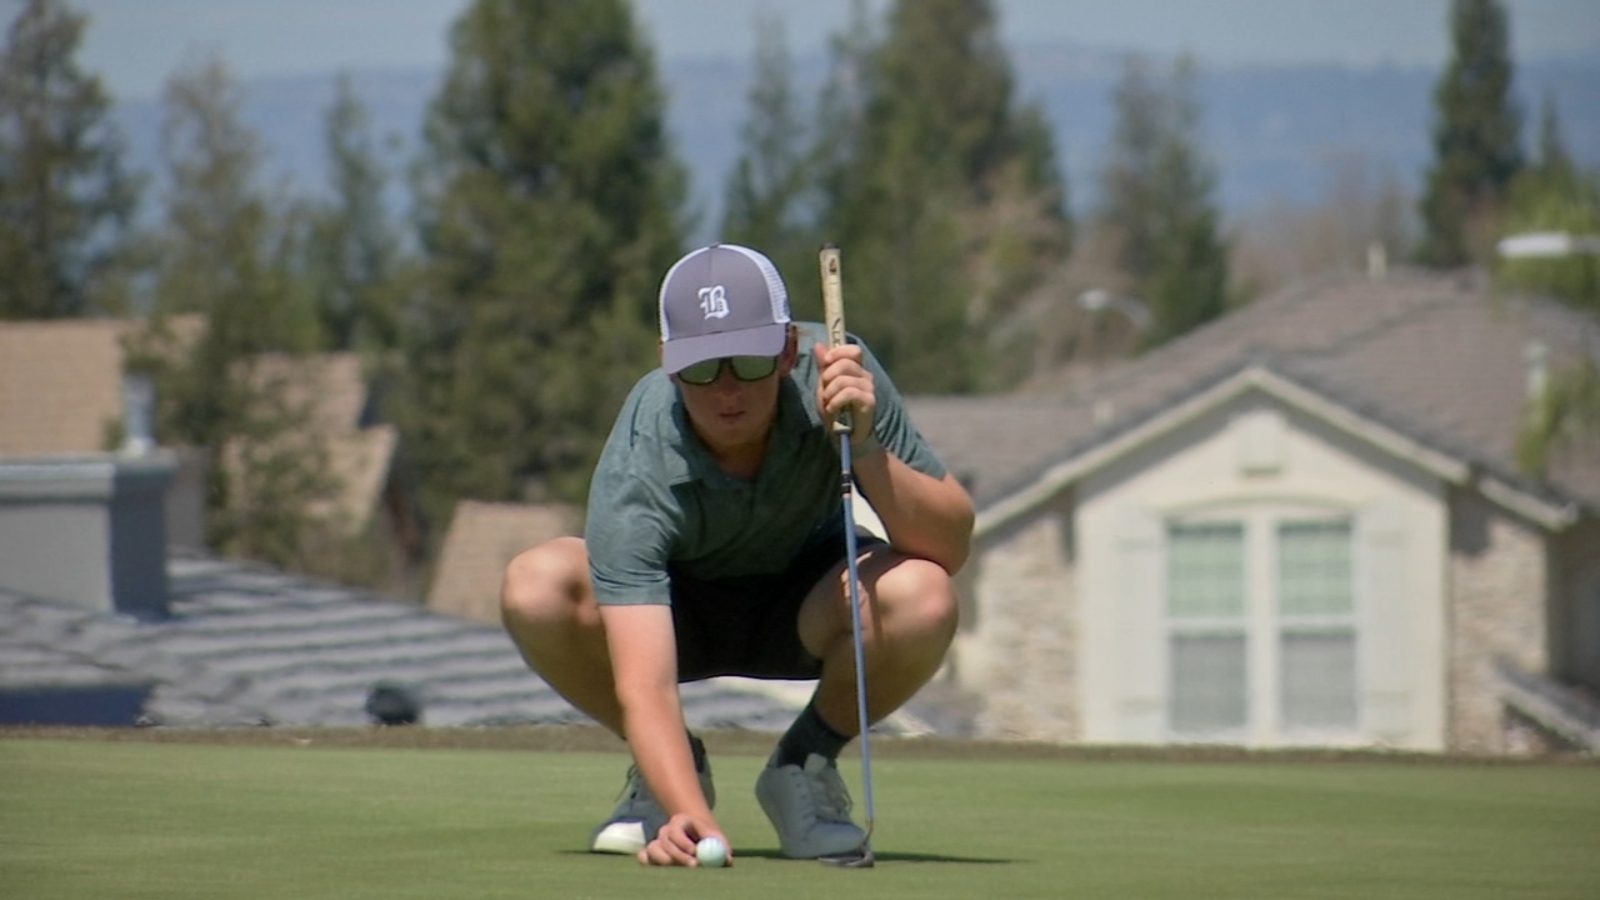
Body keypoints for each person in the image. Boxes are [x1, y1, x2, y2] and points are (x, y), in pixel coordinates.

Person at [500, 243, 973, 867]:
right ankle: (665, 771)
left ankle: (801, 766)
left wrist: (864, 446)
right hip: (674, 610)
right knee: (535, 583)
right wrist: (688, 812)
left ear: (787, 351)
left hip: (809, 601)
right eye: (701, 367)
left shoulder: (839, 370)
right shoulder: (644, 451)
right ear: (669, 364)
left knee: (925, 595)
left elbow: (948, 547)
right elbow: (645, 683)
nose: (726, 390)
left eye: (748, 362)